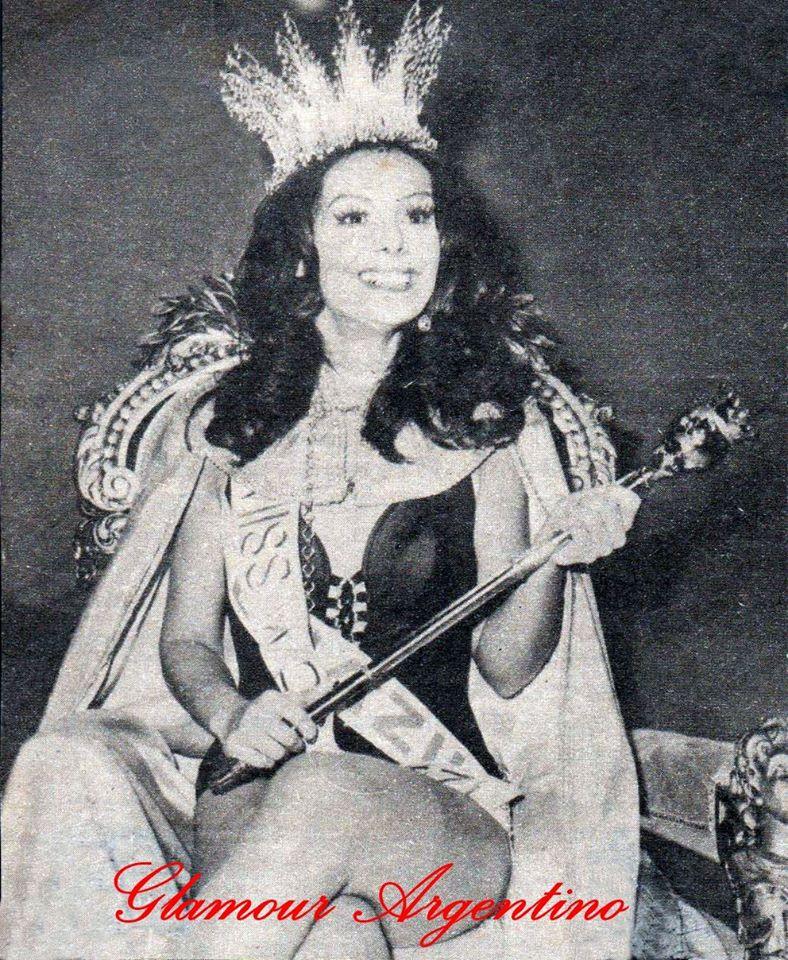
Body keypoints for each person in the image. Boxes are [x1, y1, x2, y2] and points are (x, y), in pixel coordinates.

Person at [1, 5, 643, 958]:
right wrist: (231, 714)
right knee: (325, 932)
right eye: (355, 218)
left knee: (325, 788)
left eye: (417, 216)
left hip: (435, 822)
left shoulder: (484, 431)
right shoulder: (233, 431)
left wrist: (558, 554)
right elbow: (187, 640)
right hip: (251, 805)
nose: (395, 245)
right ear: (302, 254)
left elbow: (509, 666)